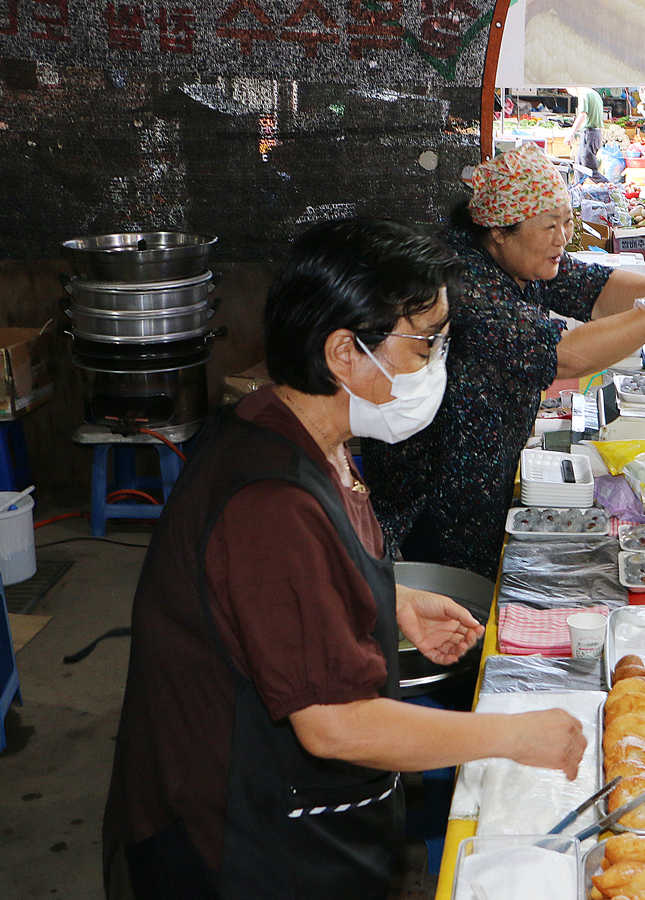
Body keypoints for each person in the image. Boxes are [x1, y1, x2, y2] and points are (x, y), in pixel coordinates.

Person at [102, 218, 587, 900]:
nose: (436, 368)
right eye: (425, 347)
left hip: (299, 815)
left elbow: (274, 590)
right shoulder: (269, 499)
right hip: (240, 843)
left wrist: (387, 598)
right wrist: (509, 736)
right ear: (342, 353)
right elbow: (334, 723)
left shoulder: (303, 429)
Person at [364, 144, 645, 577]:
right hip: (440, 491)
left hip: (486, 472)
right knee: (456, 603)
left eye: (567, 221)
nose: (562, 237)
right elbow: (563, 357)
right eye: (550, 225)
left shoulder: (521, 259)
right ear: (498, 231)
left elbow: (596, 289)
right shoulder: (464, 281)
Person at [567, 86, 604, 179]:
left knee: (588, 168)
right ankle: (577, 189)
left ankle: (610, 187)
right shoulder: (595, 94)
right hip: (595, 133)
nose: (569, 92)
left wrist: (571, 134)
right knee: (579, 166)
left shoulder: (583, 94)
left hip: (589, 134)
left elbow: (582, 115)